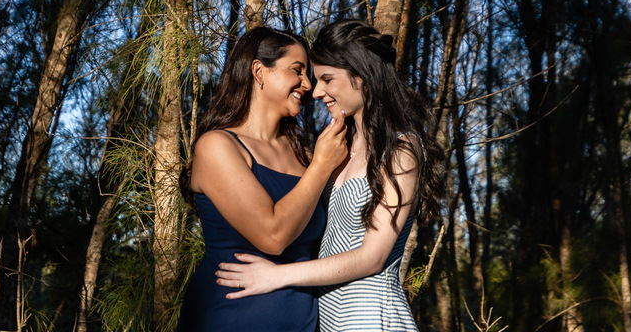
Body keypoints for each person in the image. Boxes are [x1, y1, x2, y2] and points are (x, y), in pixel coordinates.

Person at [214, 19, 443, 332]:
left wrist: (276, 276)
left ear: (361, 76)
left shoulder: (401, 148)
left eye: (327, 79)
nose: (316, 90)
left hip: (370, 317)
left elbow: (371, 258)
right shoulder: (337, 148)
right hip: (330, 320)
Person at [176, 26, 350, 332]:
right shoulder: (218, 146)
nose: (307, 84)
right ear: (259, 71)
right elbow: (272, 236)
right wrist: (321, 167)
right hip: (228, 319)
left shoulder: (305, 155)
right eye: (297, 70)